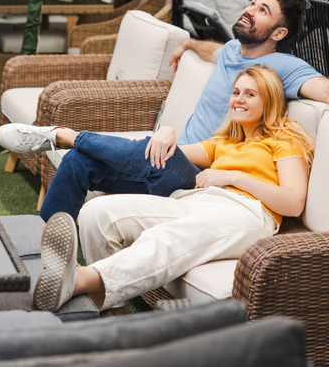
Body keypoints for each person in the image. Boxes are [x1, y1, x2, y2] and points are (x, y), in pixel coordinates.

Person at [0, 0, 329, 222]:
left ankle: (63, 134)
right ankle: (40, 249)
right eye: (252, 2)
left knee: (132, 150)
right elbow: (215, 52)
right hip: (169, 159)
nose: (249, 9)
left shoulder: (283, 68)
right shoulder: (232, 50)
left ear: (278, 32)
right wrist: (189, 43)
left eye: (262, 10)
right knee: (77, 164)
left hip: (199, 173)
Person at [31, 65, 313, 312]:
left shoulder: (284, 139)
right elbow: (161, 155)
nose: (238, 99)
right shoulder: (224, 142)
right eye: (236, 92)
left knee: (165, 237)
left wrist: (232, 177)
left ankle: (80, 280)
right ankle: (109, 309)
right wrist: (166, 131)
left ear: (269, 100)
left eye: (250, 94)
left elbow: (293, 203)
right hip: (197, 199)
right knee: (97, 212)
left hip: (247, 212)